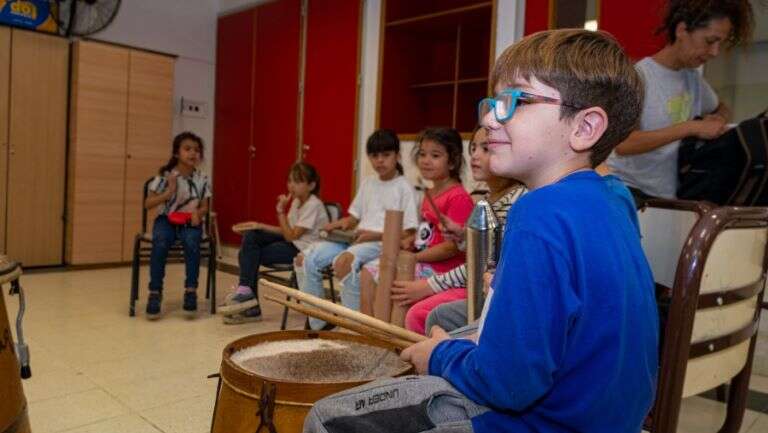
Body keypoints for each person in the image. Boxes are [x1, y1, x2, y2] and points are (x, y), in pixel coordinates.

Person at [303, 29, 658, 433]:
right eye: (492, 102)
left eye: (515, 101)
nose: (489, 118)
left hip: (552, 422)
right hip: (612, 415)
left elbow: (508, 385)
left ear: (585, 126)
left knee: (327, 418)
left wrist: (439, 355)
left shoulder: (539, 210)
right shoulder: (614, 196)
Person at [373, 126, 524, 335]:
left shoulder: (516, 201)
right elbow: (481, 251)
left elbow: (482, 264)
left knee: (418, 311)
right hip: (473, 281)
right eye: (473, 148)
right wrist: (462, 237)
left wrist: (429, 285)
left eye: (486, 149)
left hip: (485, 288)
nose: (474, 156)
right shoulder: (485, 198)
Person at [607, 0, 754, 205]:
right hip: (631, 194)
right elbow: (624, 144)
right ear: (682, 30)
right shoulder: (640, 77)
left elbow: (721, 108)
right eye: (710, 41)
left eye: (720, 43)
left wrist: (716, 120)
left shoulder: (692, 78)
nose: (715, 52)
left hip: (670, 196)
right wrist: (691, 127)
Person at [296, 129, 419, 330]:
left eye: (386, 155)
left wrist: (374, 235)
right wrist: (338, 224)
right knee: (303, 259)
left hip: (381, 242)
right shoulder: (369, 182)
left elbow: (409, 233)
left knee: (344, 261)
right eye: (374, 156)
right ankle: (318, 323)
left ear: (397, 156)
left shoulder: (405, 187)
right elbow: (354, 218)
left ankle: (355, 325)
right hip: (356, 239)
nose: (379, 161)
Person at [219, 162, 328, 324]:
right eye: (290, 181)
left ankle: (249, 305)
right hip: (293, 241)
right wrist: (259, 225)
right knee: (252, 235)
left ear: (311, 185)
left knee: (250, 254)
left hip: (304, 249)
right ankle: (246, 295)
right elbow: (286, 231)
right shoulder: (298, 201)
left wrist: (280, 211)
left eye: (297, 182)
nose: (291, 186)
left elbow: (291, 236)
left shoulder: (313, 204)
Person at [144, 132, 211, 320]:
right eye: (187, 149)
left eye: (196, 150)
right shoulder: (165, 176)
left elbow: (205, 206)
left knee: (192, 241)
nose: (193, 153)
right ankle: (155, 292)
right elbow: (148, 203)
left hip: (190, 220)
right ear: (176, 153)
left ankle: (191, 290)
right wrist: (168, 192)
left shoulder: (202, 178)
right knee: (161, 241)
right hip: (166, 219)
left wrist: (198, 213)